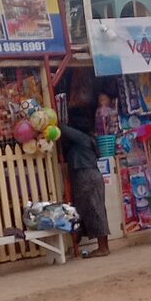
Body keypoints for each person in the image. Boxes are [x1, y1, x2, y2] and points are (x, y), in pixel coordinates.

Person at [60, 109, 110, 257]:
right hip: (91, 175)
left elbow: (61, 128)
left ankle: (103, 248)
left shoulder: (81, 138)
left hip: (85, 176)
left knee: (95, 211)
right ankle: (102, 246)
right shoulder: (89, 139)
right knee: (94, 210)